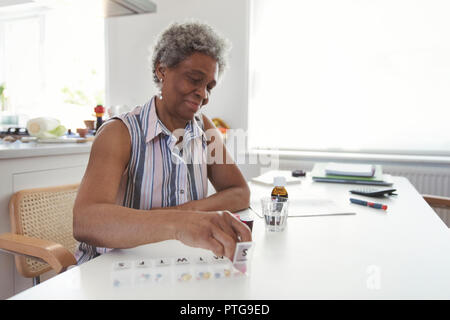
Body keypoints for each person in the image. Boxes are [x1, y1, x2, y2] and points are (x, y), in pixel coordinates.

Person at [73, 21, 251, 264]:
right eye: (194, 79)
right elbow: (86, 221)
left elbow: (239, 192)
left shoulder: (204, 128)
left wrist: (185, 213)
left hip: (174, 261)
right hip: (112, 268)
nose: (203, 94)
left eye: (209, 86)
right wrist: (178, 224)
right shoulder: (119, 132)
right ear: (162, 70)